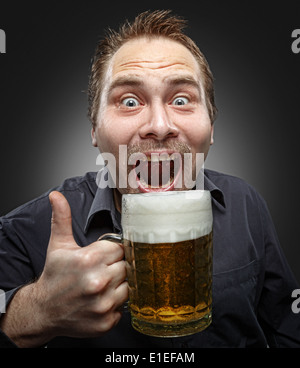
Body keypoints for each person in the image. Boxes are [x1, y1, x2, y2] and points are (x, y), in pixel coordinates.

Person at [0, 10, 299, 348]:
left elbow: (287, 324)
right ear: (94, 129)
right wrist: (35, 311)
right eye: (129, 101)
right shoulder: (25, 229)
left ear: (211, 128)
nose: (159, 125)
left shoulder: (246, 203)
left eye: (182, 99)